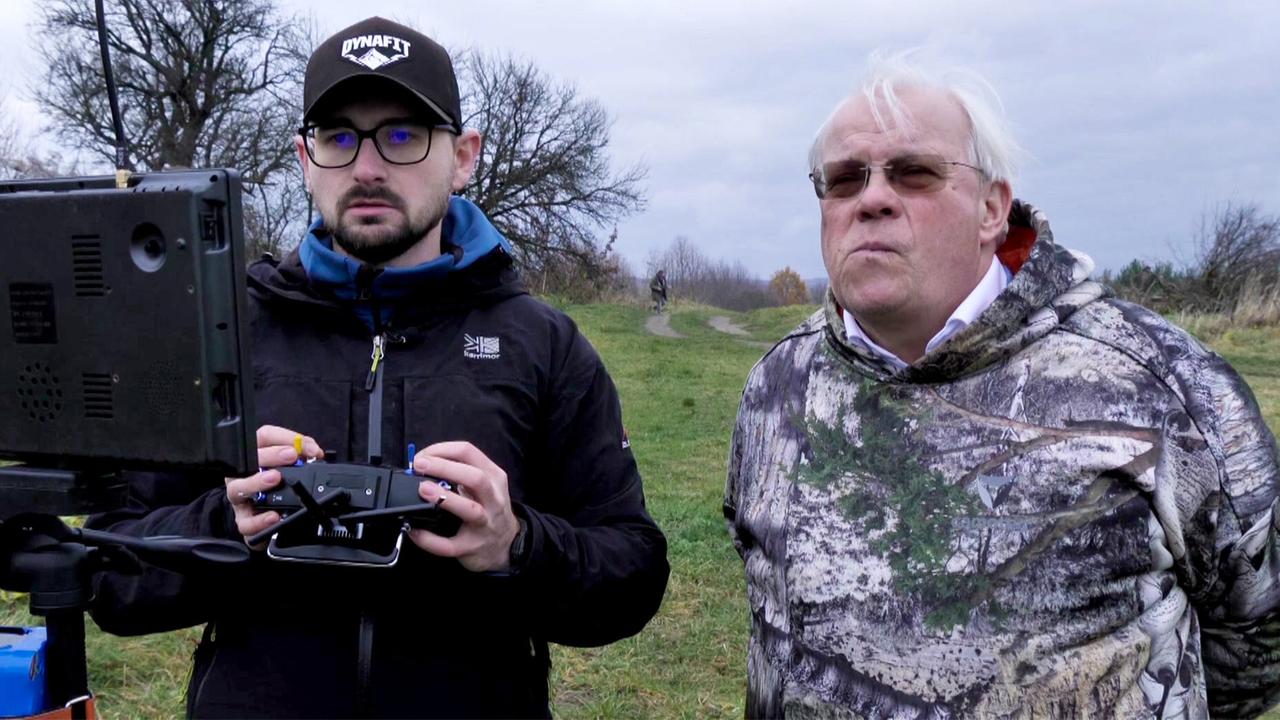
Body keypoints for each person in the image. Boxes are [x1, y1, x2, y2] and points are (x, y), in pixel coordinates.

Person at [86, 17, 668, 719]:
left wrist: (516, 546)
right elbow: (109, 577)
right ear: (304, 158)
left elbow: (632, 575)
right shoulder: (224, 334)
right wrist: (221, 524)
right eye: (339, 137)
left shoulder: (542, 344)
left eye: (401, 136)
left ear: (464, 155)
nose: (366, 168)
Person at [725, 52, 1280, 719]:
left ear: (992, 209)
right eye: (844, 179)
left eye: (914, 172)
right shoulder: (778, 386)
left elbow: (1256, 640)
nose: (871, 198)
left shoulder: (1162, 382)